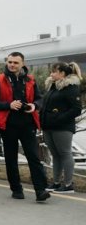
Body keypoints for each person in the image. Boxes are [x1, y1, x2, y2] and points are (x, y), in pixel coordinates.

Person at [0, 52, 49, 200]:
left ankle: (40, 190)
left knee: (34, 157)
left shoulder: (31, 80)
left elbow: (40, 99)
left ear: (22, 63)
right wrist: (8, 105)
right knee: (11, 158)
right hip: (8, 125)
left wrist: (34, 106)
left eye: (15, 62)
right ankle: (16, 189)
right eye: (10, 62)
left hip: (28, 124)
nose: (12, 65)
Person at [41, 62, 82, 194]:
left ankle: (68, 184)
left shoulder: (71, 88)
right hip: (48, 126)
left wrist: (58, 118)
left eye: (54, 72)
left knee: (65, 153)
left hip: (62, 127)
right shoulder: (52, 87)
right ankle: (57, 182)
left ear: (62, 73)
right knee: (56, 155)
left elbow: (76, 109)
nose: (51, 74)